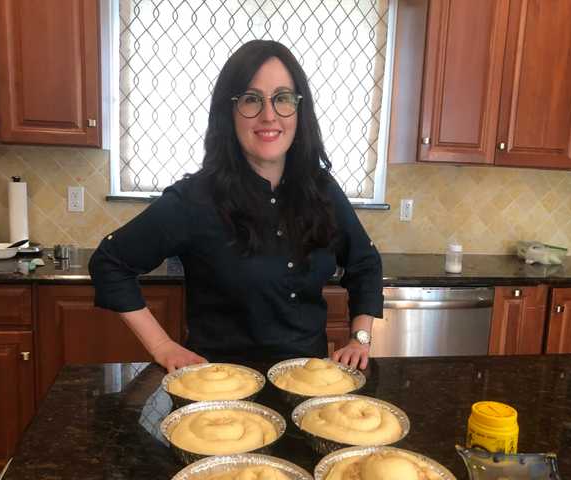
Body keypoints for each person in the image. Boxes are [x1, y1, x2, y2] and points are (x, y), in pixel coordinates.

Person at [89, 40, 383, 373]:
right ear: (228, 112)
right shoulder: (194, 199)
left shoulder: (323, 191)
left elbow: (365, 263)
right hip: (217, 392)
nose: (269, 115)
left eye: (283, 98)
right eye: (251, 100)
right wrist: (162, 346)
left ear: (300, 111)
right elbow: (110, 262)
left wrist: (360, 337)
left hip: (307, 385)